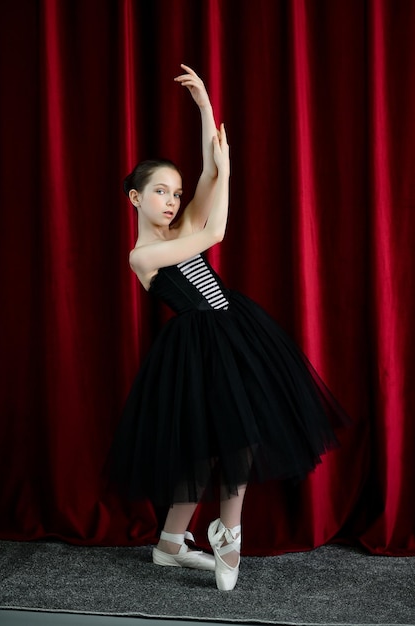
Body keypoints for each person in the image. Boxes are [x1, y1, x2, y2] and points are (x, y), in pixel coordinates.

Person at [109, 65, 348, 591]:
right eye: (161, 192)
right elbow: (216, 226)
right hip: (198, 345)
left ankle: (171, 545)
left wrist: (205, 112)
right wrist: (224, 173)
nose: (172, 201)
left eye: (175, 192)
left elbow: (208, 179)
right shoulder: (142, 255)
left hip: (232, 329)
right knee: (226, 439)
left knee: (218, 443)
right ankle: (228, 533)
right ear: (136, 199)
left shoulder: (181, 225)